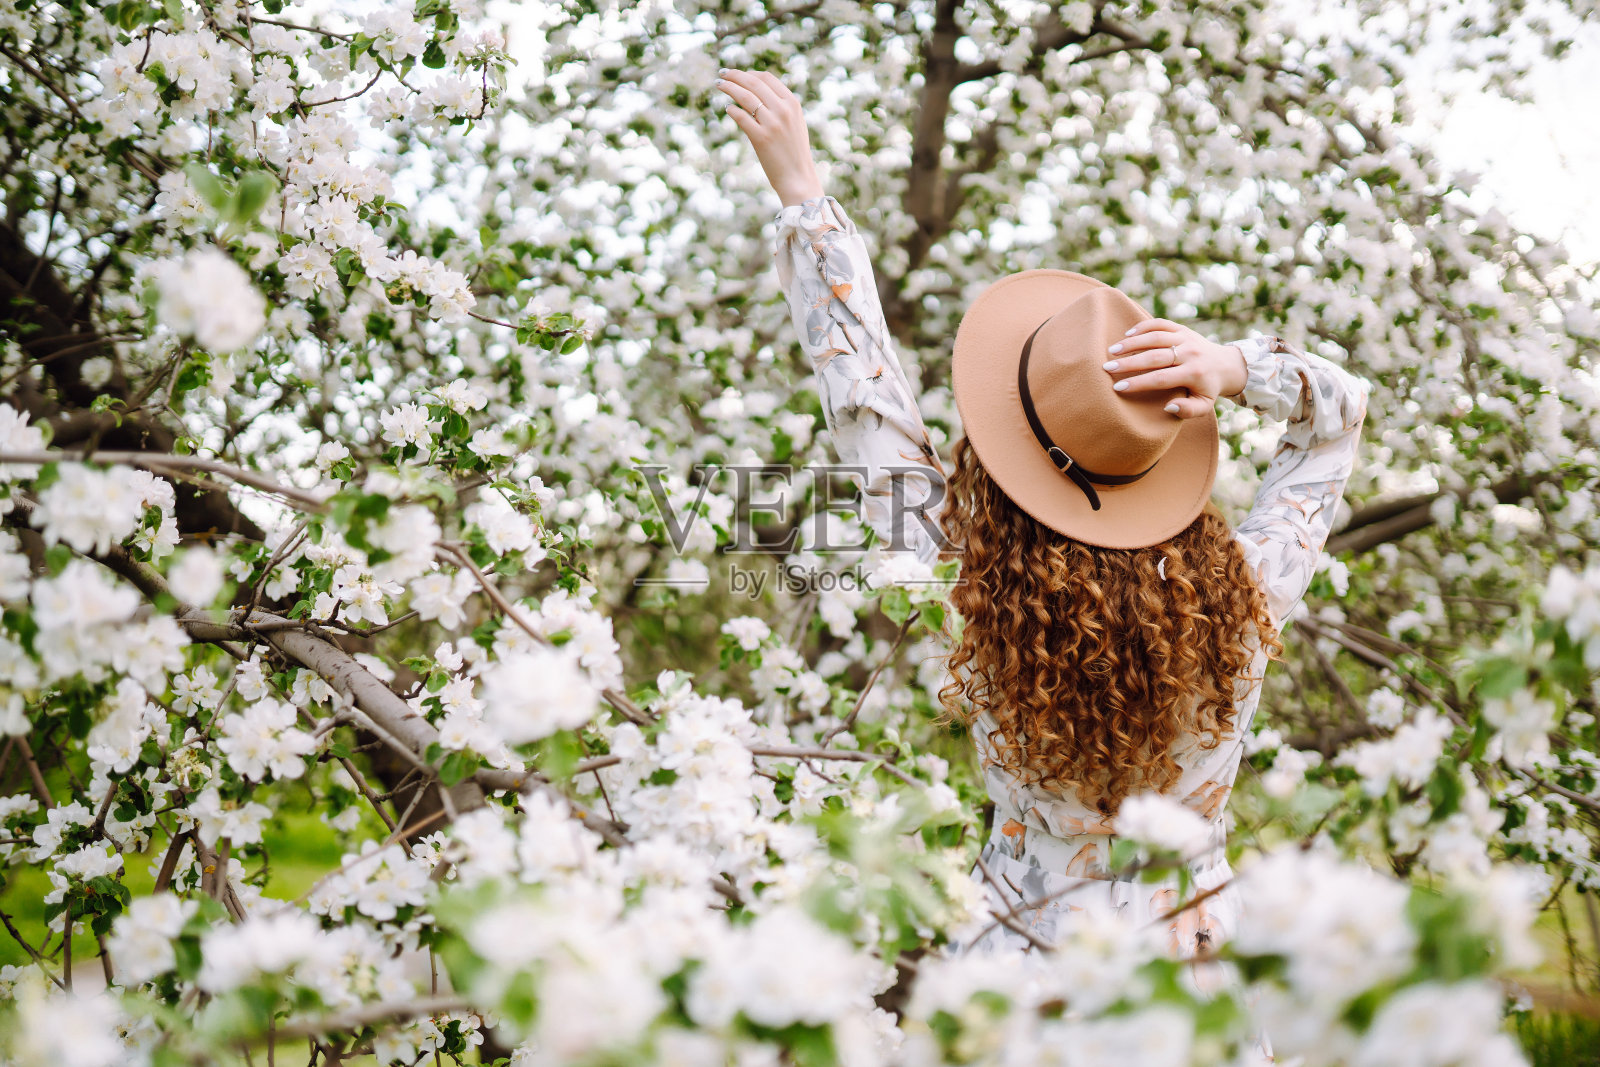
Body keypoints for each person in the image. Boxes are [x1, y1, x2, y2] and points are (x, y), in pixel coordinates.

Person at [715, 68, 1368, 988]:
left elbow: (868, 410)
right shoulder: (1248, 594)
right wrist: (1233, 366)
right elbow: (1336, 421)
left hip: (1022, 972)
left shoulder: (975, 595)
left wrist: (805, 195)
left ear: (1003, 463)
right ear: (1162, 464)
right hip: (1196, 973)